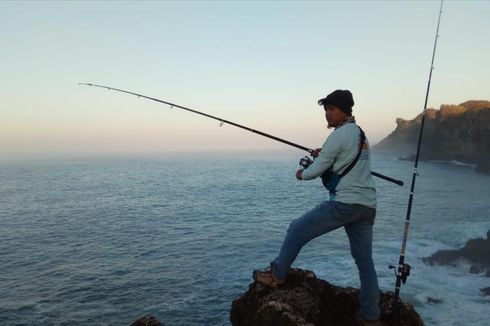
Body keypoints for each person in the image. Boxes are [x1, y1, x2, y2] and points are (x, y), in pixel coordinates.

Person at [253, 89, 380, 325]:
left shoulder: (340, 134)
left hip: (346, 203)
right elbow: (341, 158)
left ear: (344, 110)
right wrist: (326, 155)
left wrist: (302, 174)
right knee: (365, 263)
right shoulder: (360, 135)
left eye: (331, 109)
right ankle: (371, 317)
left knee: (297, 229)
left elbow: (316, 170)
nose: (327, 115)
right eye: (326, 110)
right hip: (367, 206)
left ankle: (277, 275)